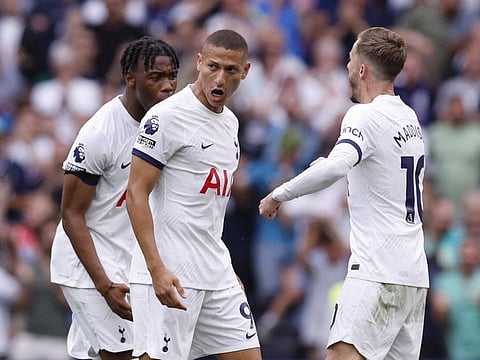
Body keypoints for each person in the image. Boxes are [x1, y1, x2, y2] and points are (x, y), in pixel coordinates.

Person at [259, 26, 430, 360]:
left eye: (350, 60)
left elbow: (336, 167)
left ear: (363, 69)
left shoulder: (364, 115)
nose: (348, 69)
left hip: (376, 271)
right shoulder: (410, 118)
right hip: (413, 276)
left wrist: (279, 193)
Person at [126, 29, 261, 360]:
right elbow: (135, 193)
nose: (220, 78)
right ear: (198, 63)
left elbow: (208, 210)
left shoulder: (230, 123)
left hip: (216, 273)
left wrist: (224, 270)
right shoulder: (166, 117)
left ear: (245, 71)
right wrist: (155, 268)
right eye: (212, 67)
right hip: (169, 273)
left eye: (231, 71)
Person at [50, 36, 179, 360]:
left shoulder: (167, 126)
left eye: (172, 76)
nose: (167, 86)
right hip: (88, 266)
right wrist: (103, 285)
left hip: (126, 264)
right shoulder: (100, 134)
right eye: (156, 77)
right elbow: (71, 216)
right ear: (130, 78)